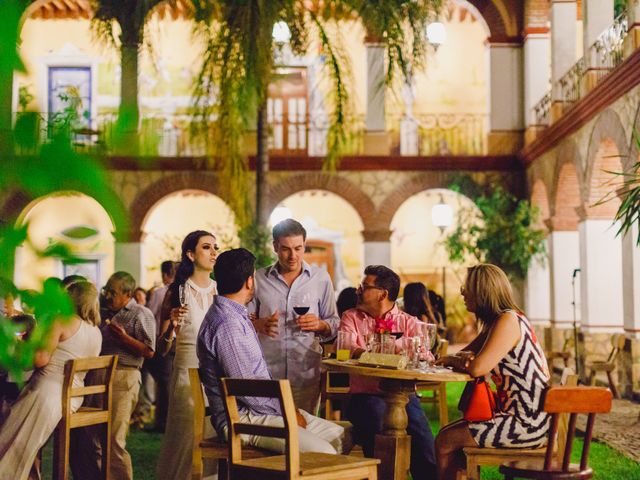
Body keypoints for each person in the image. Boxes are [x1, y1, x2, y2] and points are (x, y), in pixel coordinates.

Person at [197, 248, 345, 454]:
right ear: (250, 281)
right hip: (242, 418)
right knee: (324, 452)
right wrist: (286, 412)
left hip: (259, 411)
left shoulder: (236, 316)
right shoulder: (227, 324)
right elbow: (247, 389)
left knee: (343, 436)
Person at [434, 264, 551, 480]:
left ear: (482, 291)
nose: (461, 291)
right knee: (447, 436)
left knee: (445, 440)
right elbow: (467, 354)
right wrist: (461, 359)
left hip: (527, 424)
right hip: (517, 416)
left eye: (466, 286)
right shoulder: (499, 321)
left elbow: (478, 367)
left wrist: (459, 360)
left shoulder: (508, 320)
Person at [339, 265, 437, 479]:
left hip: (403, 397)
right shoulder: (351, 317)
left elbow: (426, 357)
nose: (357, 290)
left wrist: (377, 353)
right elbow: (345, 348)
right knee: (377, 423)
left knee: (423, 439)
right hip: (363, 397)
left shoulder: (408, 322)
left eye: (364, 286)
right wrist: (386, 354)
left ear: (382, 293)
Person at [0, 281, 102, 480]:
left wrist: (18, 349)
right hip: (74, 396)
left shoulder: (61, 321)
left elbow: (40, 360)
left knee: (10, 439)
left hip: (49, 394)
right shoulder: (95, 331)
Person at [249, 219, 339, 414]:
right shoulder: (258, 279)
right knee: (269, 433)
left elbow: (334, 322)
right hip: (266, 373)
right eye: (286, 249)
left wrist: (320, 324)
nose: (293, 256)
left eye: (298, 248)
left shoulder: (320, 278)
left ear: (304, 245)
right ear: (275, 246)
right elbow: (243, 321)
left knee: (303, 432)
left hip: (305, 372)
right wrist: (258, 324)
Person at [156, 231, 218, 479]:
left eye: (215, 247)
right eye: (207, 247)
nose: (214, 252)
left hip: (214, 373)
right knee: (185, 435)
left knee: (213, 435)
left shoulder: (220, 290)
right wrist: (171, 326)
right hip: (186, 371)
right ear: (191, 255)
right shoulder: (177, 292)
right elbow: (161, 348)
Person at [97, 271, 156, 480]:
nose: (107, 296)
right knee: (95, 439)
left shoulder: (141, 313)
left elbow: (149, 350)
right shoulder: (104, 312)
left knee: (114, 439)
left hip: (124, 376)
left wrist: (124, 339)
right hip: (99, 377)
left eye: (112, 292)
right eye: (106, 290)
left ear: (127, 293)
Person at [140, 260, 177, 433]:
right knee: (168, 382)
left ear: (165, 275)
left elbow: (151, 316)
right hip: (178, 341)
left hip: (162, 339)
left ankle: (162, 422)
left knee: (163, 383)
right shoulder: (183, 292)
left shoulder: (161, 292)